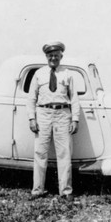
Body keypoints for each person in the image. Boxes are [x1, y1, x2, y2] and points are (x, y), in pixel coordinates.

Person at [26, 42, 80, 201]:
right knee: (40, 153)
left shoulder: (68, 74)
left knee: (64, 154)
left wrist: (75, 119)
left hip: (63, 114)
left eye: (56, 55)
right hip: (43, 114)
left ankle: (66, 191)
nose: (53, 58)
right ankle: (37, 190)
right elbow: (31, 98)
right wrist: (31, 118)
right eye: (50, 55)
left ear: (61, 56)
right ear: (46, 56)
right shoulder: (39, 74)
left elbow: (74, 99)